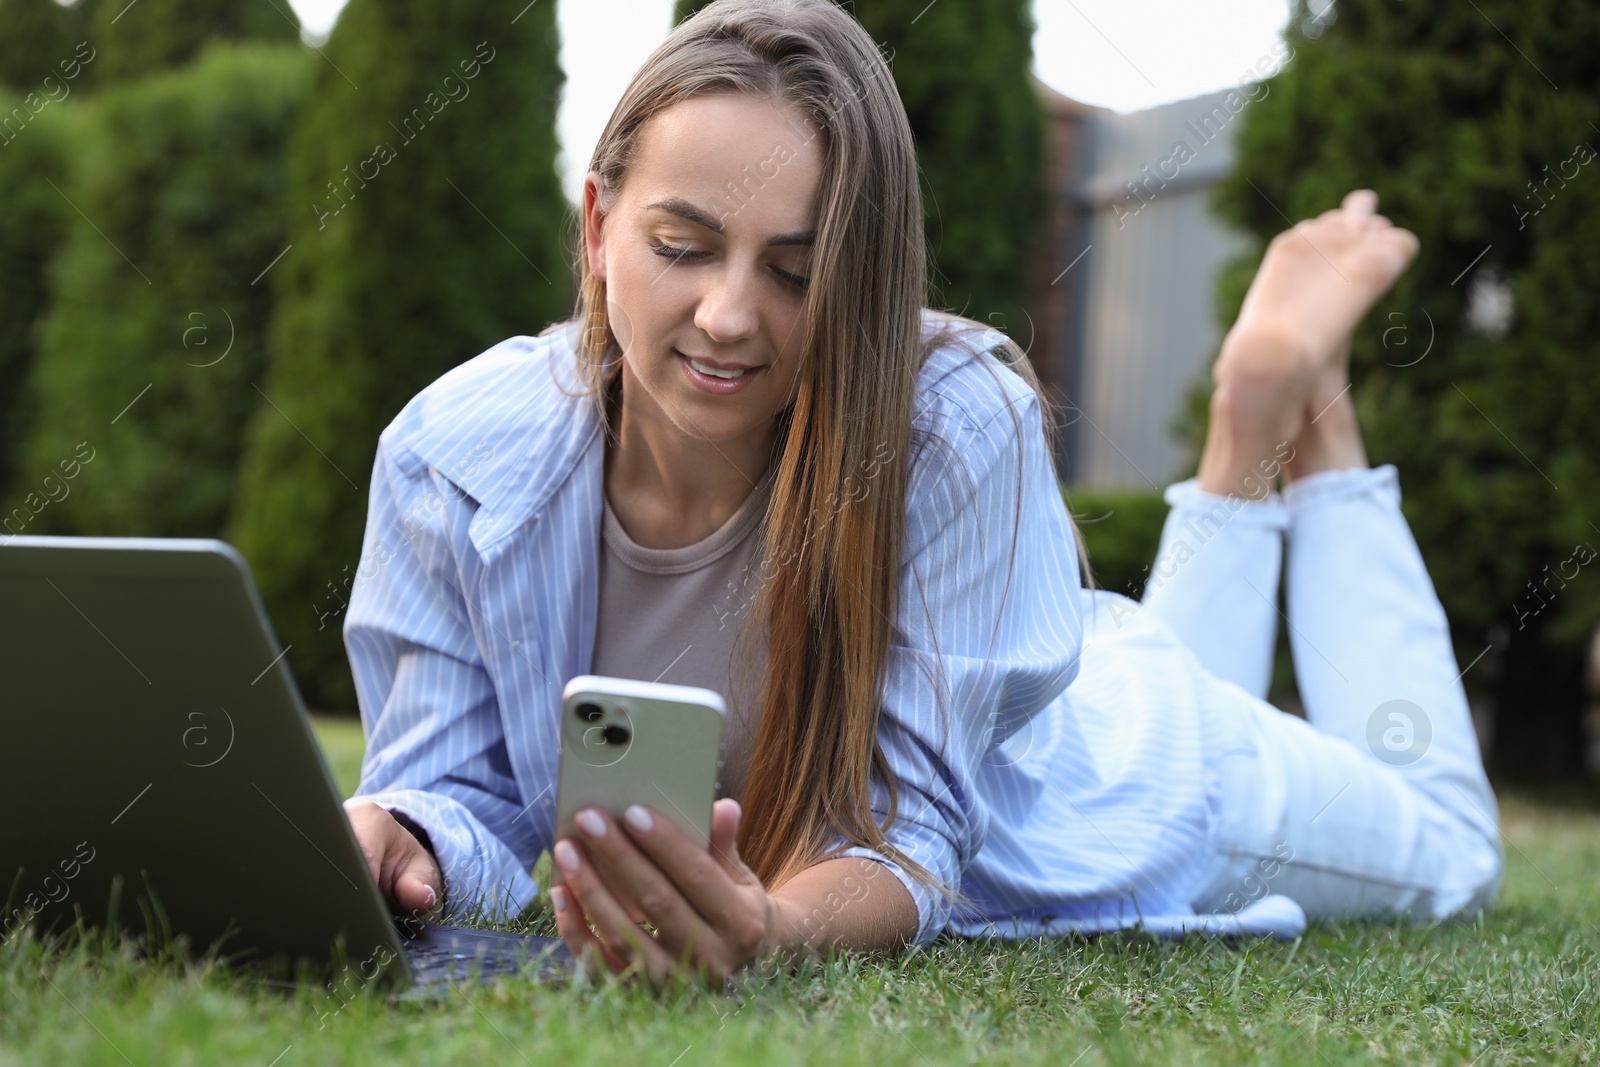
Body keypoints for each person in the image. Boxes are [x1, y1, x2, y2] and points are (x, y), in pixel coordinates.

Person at [341, 0, 1502, 983]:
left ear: (865, 276)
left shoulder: (948, 422)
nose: (731, 314)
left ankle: (1298, 419)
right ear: (598, 229)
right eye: (683, 245)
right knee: (1176, 641)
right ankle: (1251, 430)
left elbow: (911, 838)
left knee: (1454, 849)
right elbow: (466, 789)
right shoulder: (453, 455)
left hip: (1141, 772)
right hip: (1053, 673)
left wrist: (775, 924)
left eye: (797, 271)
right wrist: (404, 836)